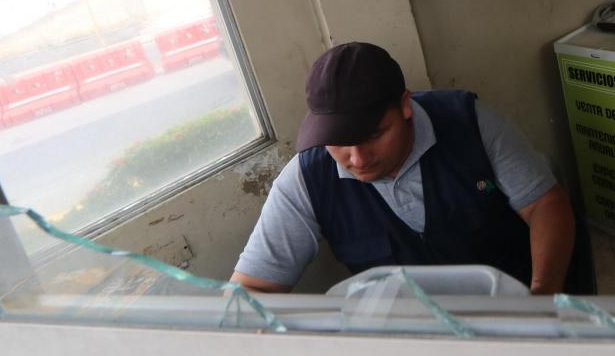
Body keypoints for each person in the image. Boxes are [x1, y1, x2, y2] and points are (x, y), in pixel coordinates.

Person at [230, 41, 575, 294]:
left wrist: (542, 296)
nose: (358, 159)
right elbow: (251, 289)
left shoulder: (469, 123)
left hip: (509, 308)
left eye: (375, 134)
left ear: (405, 106)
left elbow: (544, 204)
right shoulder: (307, 179)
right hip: (411, 334)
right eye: (339, 143)